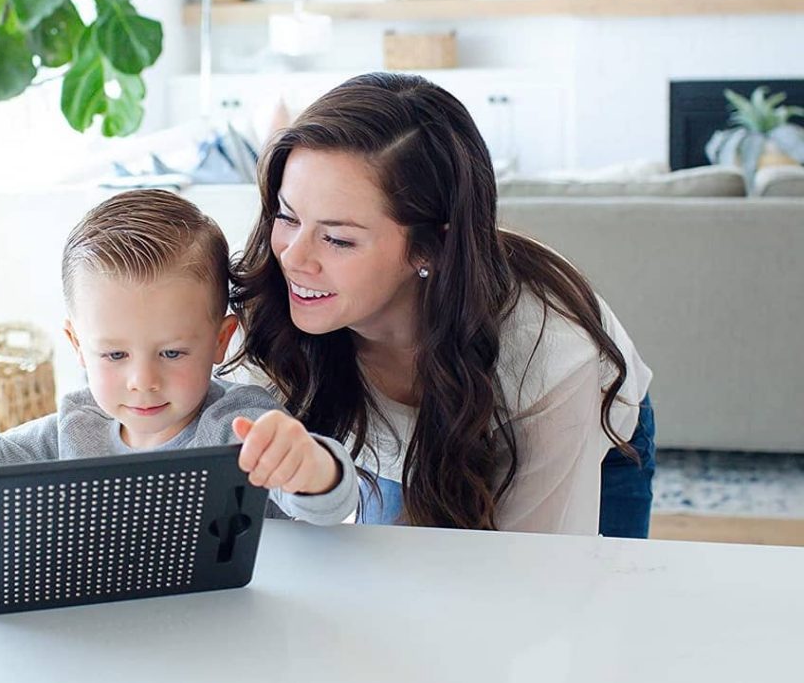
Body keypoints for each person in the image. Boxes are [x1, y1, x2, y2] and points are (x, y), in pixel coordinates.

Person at [228, 72, 655, 536]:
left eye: (337, 239)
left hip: (581, 432)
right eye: (287, 217)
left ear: (430, 248)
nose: (293, 258)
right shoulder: (268, 301)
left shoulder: (548, 352)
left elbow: (537, 578)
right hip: (416, 435)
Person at [0, 190, 358, 527]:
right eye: (115, 354)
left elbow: (327, 504)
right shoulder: (75, 427)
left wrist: (311, 466)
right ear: (77, 345)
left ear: (220, 340)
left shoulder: (238, 426)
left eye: (173, 352)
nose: (143, 380)